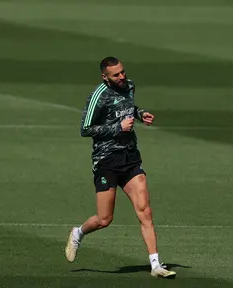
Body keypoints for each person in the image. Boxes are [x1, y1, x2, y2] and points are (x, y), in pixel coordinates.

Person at [64, 56, 176, 279]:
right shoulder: (98, 95)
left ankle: (155, 265)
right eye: (116, 75)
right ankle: (78, 232)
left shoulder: (130, 86)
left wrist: (139, 114)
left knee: (145, 210)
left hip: (130, 157)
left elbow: (127, 108)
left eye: (123, 72)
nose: (122, 77)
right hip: (106, 160)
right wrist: (118, 127)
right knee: (104, 219)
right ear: (105, 77)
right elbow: (86, 129)